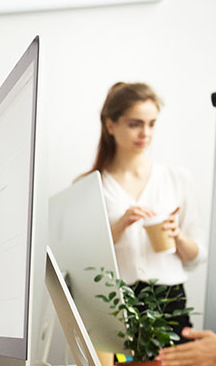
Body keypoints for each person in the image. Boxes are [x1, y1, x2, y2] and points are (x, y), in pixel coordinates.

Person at [84, 82, 206, 350]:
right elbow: (82, 263)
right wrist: (118, 227)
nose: (145, 133)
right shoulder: (90, 188)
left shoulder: (178, 179)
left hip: (170, 304)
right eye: (135, 124)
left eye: (152, 124)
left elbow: (196, 256)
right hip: (117, 305)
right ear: (110, 125)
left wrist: (177, 235)